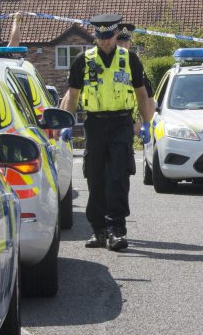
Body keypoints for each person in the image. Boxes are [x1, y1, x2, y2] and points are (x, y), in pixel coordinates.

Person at [59, 14, 155, 251]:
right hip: (95, 123)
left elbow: (142, 95)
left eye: (108, 37)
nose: (104, 42)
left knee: (118, 177)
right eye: (100, 38)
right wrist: (66, 123)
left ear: (115, 34)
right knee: (95, 176)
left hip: (121, 122)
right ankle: (98, 230)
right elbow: (72, 94)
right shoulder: (84, 60)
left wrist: (146, 123)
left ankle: (117, 230)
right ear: (96, 37)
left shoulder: (129, 58)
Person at [116, 23, 155, 135]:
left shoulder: (134, 63)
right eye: (119, 41)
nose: (123, 45)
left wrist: (144, 123)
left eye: (126, 42)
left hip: (127, 124)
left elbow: (148, 97)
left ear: (130, 43)